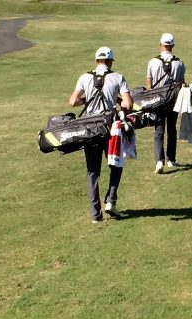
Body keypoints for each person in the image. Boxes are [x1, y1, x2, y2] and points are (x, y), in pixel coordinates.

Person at [68, 46, 133, 223]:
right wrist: (116, 99)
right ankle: (111, 199)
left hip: (90, 128)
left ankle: (96, 215)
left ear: (96, 61)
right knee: (116, 164)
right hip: (111, 127)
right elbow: (128, 104)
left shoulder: (84, 77)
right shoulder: (118, 77)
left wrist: (86, 100)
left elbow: (73, 102)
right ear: (110, 61)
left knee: (93, 171)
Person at [146, 32, 186, 174]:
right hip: (174, 101)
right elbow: (181, 84)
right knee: (172, 129)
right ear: (172, 46)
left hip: (157, 101)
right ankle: (171, 159)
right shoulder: (179, 63)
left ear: (161, 45)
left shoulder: (152, 62)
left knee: (158, 130)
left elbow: (149, 84)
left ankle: (159, 161)